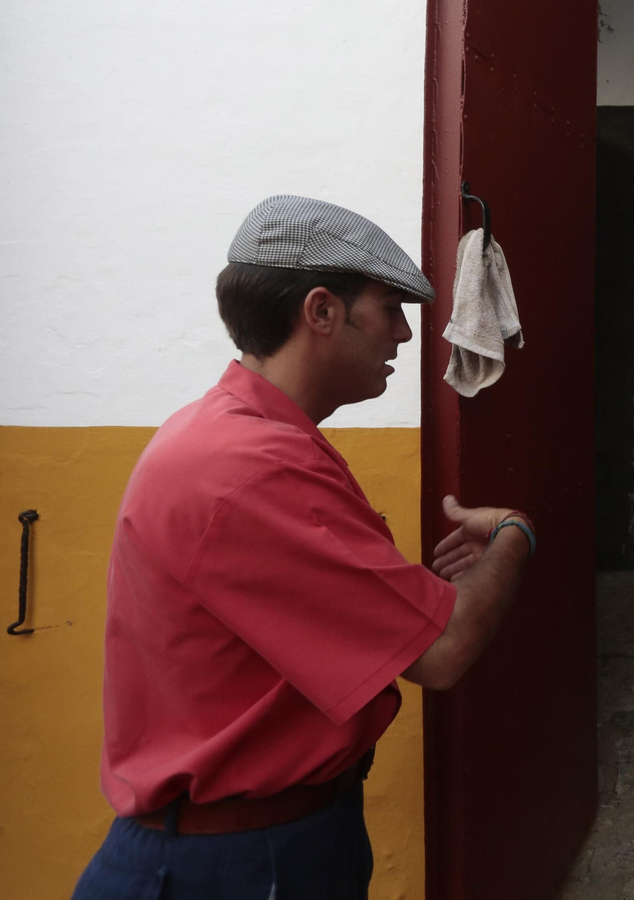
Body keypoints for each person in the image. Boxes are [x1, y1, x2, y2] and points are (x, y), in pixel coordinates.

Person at [73, 196, 535, 899]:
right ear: (321, 312)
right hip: (238, 864)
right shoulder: (255, 465)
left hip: (250, 844)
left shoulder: (229, 434)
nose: (405, 336)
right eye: (389, 309)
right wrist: (514, 536)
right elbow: (444, 652)